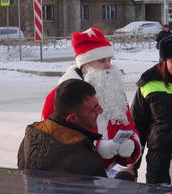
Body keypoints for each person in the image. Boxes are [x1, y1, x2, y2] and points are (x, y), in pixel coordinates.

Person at [41, 27, 141, 170]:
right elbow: (51, 140)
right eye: (101, 61)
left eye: (109, 60)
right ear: (84, 65)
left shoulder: (115, 92)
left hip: (113, 175)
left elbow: (128, 126)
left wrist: (132, 143)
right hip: (76, 177)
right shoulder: (59, 95)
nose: (108, 65)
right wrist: (95, 147)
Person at [18, 79, 135, 180]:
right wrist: (124, 178)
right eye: (93, 109)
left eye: (98, 104)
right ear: (73, 118)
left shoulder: (33, 135)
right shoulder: (83, 155)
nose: (100, 110)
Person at [131, 34, 172, 184]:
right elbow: (138, 126)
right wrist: (132, 166)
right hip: (159, 160)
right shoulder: (148, 84)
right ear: (163, 61)